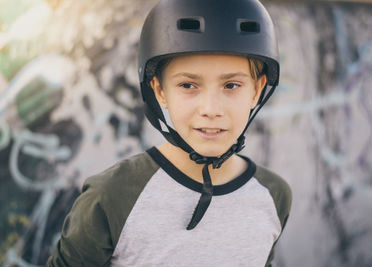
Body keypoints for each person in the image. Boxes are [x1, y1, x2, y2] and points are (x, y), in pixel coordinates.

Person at [46, 0, 292, 266]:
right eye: (188, 85)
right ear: (160, 91)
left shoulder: (273, 195)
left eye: (231, 85)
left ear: (256, 91)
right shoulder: (111, 196)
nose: (211, 109)